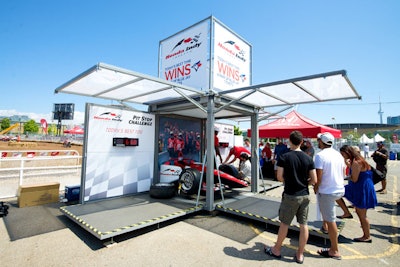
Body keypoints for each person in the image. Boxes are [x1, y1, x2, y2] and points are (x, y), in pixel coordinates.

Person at [264, 131, 317, 264]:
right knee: (303, 224)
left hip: (290, 194)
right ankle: (300, 254)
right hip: (304, 194)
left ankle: (276, 249)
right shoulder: (308, 158)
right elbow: (314, 179)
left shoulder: (284, 157)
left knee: (284, 223)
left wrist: (288, 182)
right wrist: (304, 183)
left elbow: (279, 176)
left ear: (290, 141)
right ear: (301, 142)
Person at [313, 132, 345, 260]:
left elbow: (318, 176)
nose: (318, 142)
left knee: (331, 220)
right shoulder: (338, 154)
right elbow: (343, 171)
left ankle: (334, 250)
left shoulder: (320, 156)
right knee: (327, 215)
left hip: (327, 191)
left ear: (322, 142)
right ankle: (325, 227)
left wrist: (315, 188)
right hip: (338, 189)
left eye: (319, 140)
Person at [340, 145, 377, 242]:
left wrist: (347, 177)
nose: (342, 156)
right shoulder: (360, 160)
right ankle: (366, 235)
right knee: (360, 212)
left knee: (362, 214)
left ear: (348, 153)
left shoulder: (356, 162)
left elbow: (354, 179)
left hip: (361, 188)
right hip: (364, 187)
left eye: (343, 154)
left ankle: (367, 236)